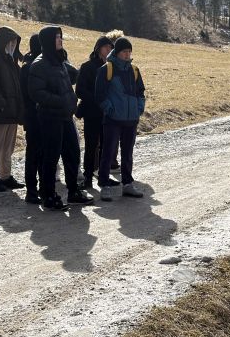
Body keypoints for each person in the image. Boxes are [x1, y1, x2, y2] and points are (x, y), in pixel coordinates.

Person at [27, 26, 93, 209]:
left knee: (72, 153)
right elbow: (36, 93)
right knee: (51, 157)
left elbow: (71, 77)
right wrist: (61, 101)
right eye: (57, 38)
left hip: (65, 116)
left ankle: (73, 191)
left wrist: (69, 99)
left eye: (60, 37)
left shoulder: (58, 61)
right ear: (48, 40)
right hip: (50, 117)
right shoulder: (39, 65)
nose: (60, 40)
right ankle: (48, 195)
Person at [96, 37, 146, 201]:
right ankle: (104, 185)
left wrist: (139, 109)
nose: (127, 54)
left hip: (131, 120)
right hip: (113, 120)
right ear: (117, 53)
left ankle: (127, 184)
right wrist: (110, 110)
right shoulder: (107, 69)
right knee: (108, 152)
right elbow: (100, 94)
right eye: (125, 51)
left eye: (129, 51)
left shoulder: (134, 70)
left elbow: (140, 92)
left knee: (128, 153)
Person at [0, 26, 25, 192]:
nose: (13, 45)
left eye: (15, 41)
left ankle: (5, 175)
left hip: (12, 114)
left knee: (8, 147)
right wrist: (2, 106)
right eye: (10, 41)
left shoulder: (12, 61)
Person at [76, 34, 120, 190]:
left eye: (111, 48)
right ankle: (87, 178)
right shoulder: (87, 67)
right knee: (91, 146)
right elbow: (80, 91)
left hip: (108, 114)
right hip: (92, 113)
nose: (109, 50)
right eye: (106, 47)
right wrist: (98, 99)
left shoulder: (113, 67)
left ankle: (104, 176)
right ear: (98, 48)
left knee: (106, 146)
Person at [18, 34, 43, 204]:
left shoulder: (33, 64)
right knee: (34, 154)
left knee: (40, 154)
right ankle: (32, 190)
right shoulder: (29, 67)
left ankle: (39, 189)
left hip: (38, 116)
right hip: (34, 116)